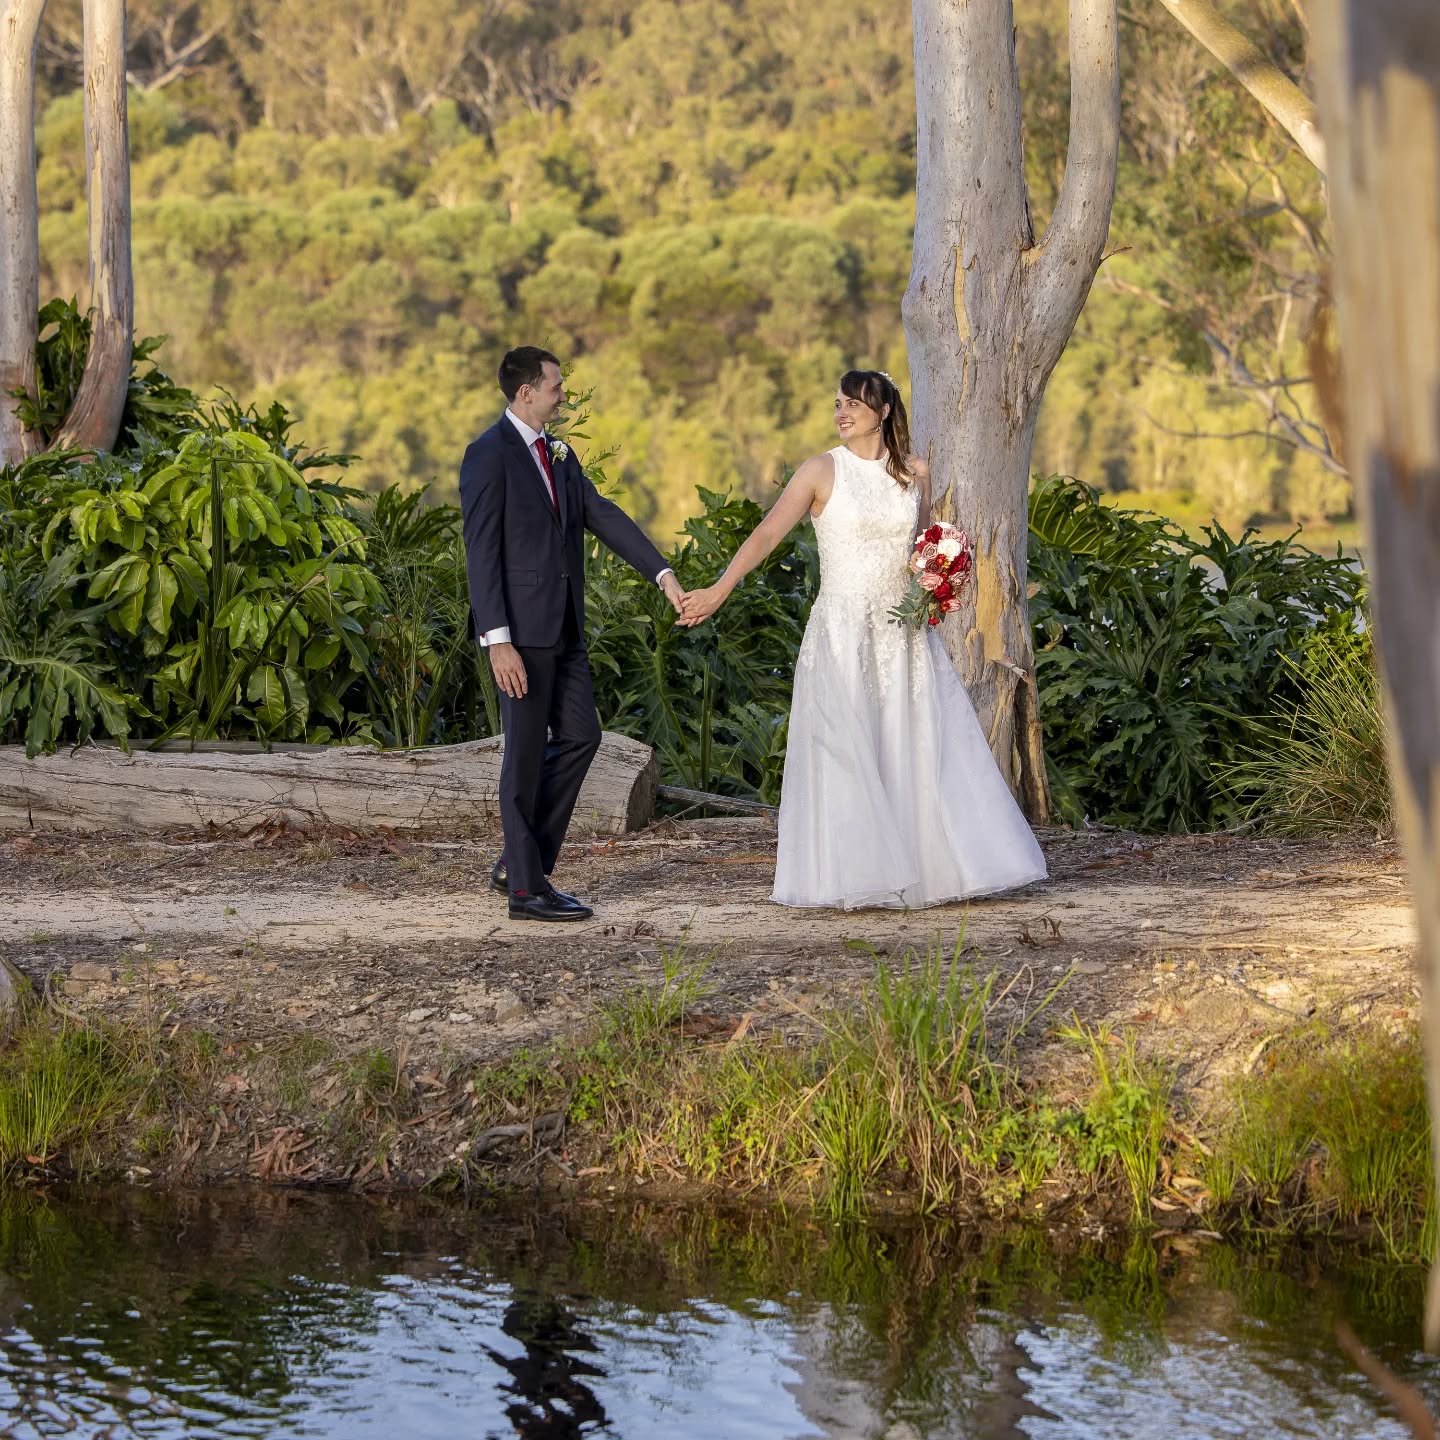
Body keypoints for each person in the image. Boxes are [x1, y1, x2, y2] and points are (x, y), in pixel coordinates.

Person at [679, 369, 1046, 909]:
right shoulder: (821, 470)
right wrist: (718, 589)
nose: (842, 412)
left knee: (913, 741)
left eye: (853, 403)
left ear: (884, 411)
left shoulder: (914, 475)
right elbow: (766, 533)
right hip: (844, 629)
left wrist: (939, 582)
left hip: (903, 631)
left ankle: (928, 869)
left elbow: (923, 550)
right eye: (837, 404)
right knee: (847, 748)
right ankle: (853, 872)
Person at [459, 346, 685, 922]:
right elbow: (481, 553)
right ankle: (526, 893)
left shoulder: (559, 453)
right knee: (524, 757)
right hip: (520, 634)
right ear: (526, 392)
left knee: (583, 736)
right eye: (556, 386)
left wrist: (660, 571)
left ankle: (520, 860)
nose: (564, 394)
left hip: (565, 628)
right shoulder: (487, 455)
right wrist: (497, 639)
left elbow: (601, 513)